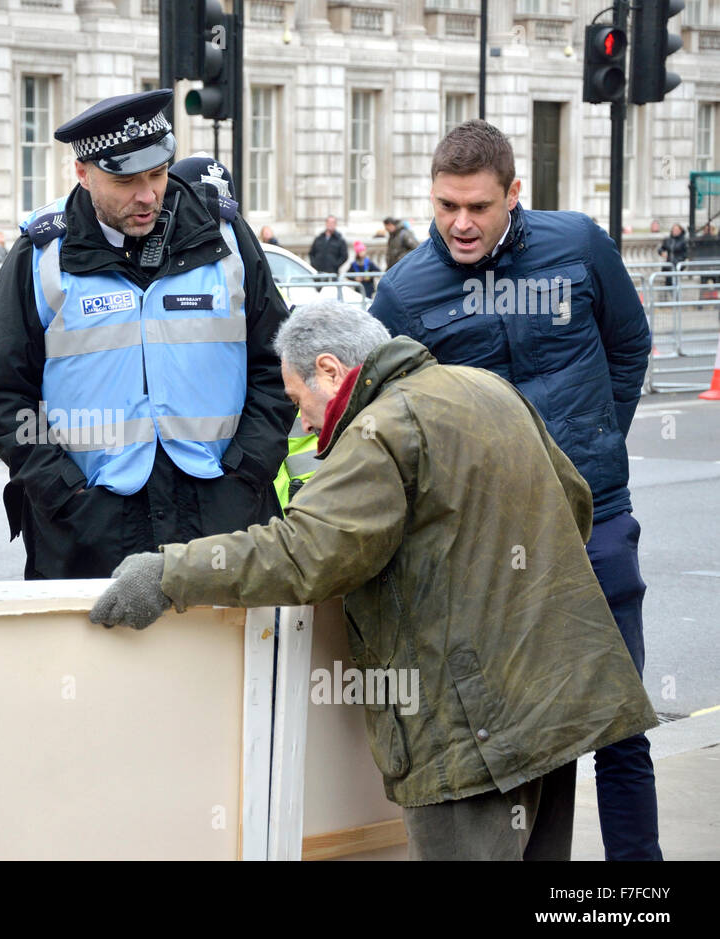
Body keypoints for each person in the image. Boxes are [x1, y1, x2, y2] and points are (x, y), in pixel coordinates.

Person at [90, 301, 659, 860]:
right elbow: (575, 503)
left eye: (297, 400)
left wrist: (168, 572)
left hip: (471, 731)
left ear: (331, 371)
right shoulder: (486, 387)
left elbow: (304, 554)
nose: (303, 422)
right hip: (551, 705)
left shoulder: (382, 427)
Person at [367, 119, 661, 861]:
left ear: (513, 196)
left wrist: (599, 437)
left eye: (477, 207)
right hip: (492, 547)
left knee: (619, 728)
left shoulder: (581, 245)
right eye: (444, 207)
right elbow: (386, 414)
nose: (459, 224)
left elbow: (630, 343)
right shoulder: (403, 294)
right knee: (531, 732)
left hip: (597, 521)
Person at [0, 91, 292, 580]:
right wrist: (63, 488)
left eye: (158, 174)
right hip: (91, 528)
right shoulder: (40, 255)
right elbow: (0, 394)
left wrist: (246, 470)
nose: (147, 196)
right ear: (83, 173)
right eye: (125, 180)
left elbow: (279, 362)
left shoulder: (226, 237)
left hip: (222, 517)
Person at [658, 222, 688, 288]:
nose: (675, 231)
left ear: (681, 231)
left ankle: (676, 297)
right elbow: (661, 249)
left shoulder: (683, 241)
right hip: (669, 266)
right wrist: (662, 252)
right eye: (674, 230)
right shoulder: (668, 240)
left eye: (677, 230)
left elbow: (686, 253)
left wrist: (680, 260)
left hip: (677, 266)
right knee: (668, 285)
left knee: (676, 285)